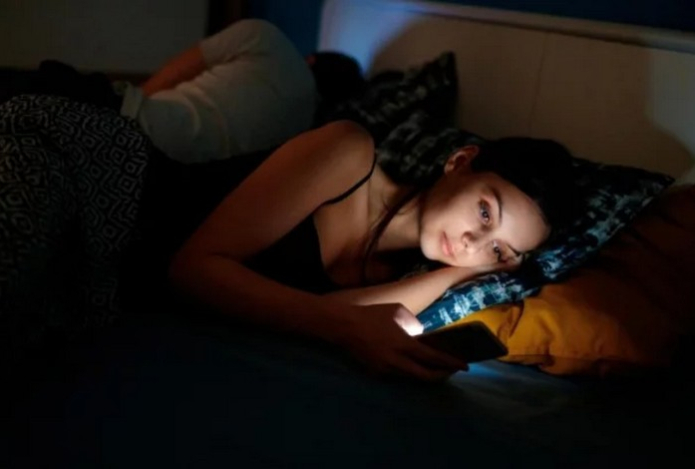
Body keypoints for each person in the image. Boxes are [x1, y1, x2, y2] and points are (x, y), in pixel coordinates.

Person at [161, 120, 579, 381]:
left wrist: (464, 272)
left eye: (499, 250)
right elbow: (192, 270)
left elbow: (327, 314)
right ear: (459, 162)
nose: (473, 243)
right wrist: (347, 326)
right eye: (485, 212)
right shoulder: (348, 152)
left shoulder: (405, 276)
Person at [0, 19, 365, 163]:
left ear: (312, 59)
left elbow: (169, 75)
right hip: (160, 176)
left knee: (41, 82)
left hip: (127, 122)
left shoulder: (267, 38)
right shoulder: (302, 134)